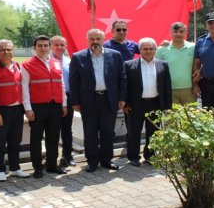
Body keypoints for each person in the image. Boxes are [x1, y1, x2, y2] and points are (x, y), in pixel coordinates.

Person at [69, 28, 126, 173]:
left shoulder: (115, 55)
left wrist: (121, 98)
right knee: (90, 132)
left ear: (103, 39)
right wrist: (75, 101)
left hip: (109, 99)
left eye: (98, 39)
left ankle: (107, 160)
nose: (95, 42)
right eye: (92, 39)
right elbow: (73, 81)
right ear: (87, 40)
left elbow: (122, 78)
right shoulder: (78, 57)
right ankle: (92, 161)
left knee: (108, 132)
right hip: (88, 100)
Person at [22, 35, 68, 178]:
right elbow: (24, 88)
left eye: (45, 45)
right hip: (37, 107)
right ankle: (37, 168)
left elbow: (61, 84)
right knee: (36, 138)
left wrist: (64, 103)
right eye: (40, 46)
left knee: (53, 138)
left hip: (55, 106)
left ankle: (52, 166)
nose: (43, 48)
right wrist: (28, 108)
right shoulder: (26, 65)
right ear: (34, 48)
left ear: (49, 47)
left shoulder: (55, 62)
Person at [0, 39, 29, 181]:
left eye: (9, 49)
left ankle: (15, 168)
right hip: (0, 110)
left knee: (15, 141)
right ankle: (0, 170)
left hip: (17, 109)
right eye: (2, 49)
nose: (6, 52)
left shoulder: (18, 66)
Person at [123, 38, 171, 166]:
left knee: (153, 132)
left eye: (151, 48)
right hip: (135, 104)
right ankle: (133, 156)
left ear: (155, 50)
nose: (148, 51)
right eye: (145, 49)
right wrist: (125, 103)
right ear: (140, 50)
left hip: (155, 103)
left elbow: (167, 86)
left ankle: (150, 156)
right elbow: (125, 86)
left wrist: (167, 106)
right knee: (134, 132)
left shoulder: (163, 65)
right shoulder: (129, 65)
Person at [155, 22, 196, 104]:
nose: (178, 34)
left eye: (181, 31)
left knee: (190, 116)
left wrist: (196, 86)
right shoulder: (162, 49)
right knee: (172, 117)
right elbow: (155, 70)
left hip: (189, 89)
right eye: (175, 31)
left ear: (185, 32)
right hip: (169, 89)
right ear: (170, 32)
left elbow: (196, 67)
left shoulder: (193, 47)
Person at [51, 35, 76, 167]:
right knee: (52, 130)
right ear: (51, 46)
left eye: (62, 45)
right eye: (56, 45)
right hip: (51, 99)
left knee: (67, 129)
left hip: (68, 97)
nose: (60, 48)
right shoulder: (46, 60)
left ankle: (67, 155)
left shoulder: (69, 61)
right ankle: (51, 158)